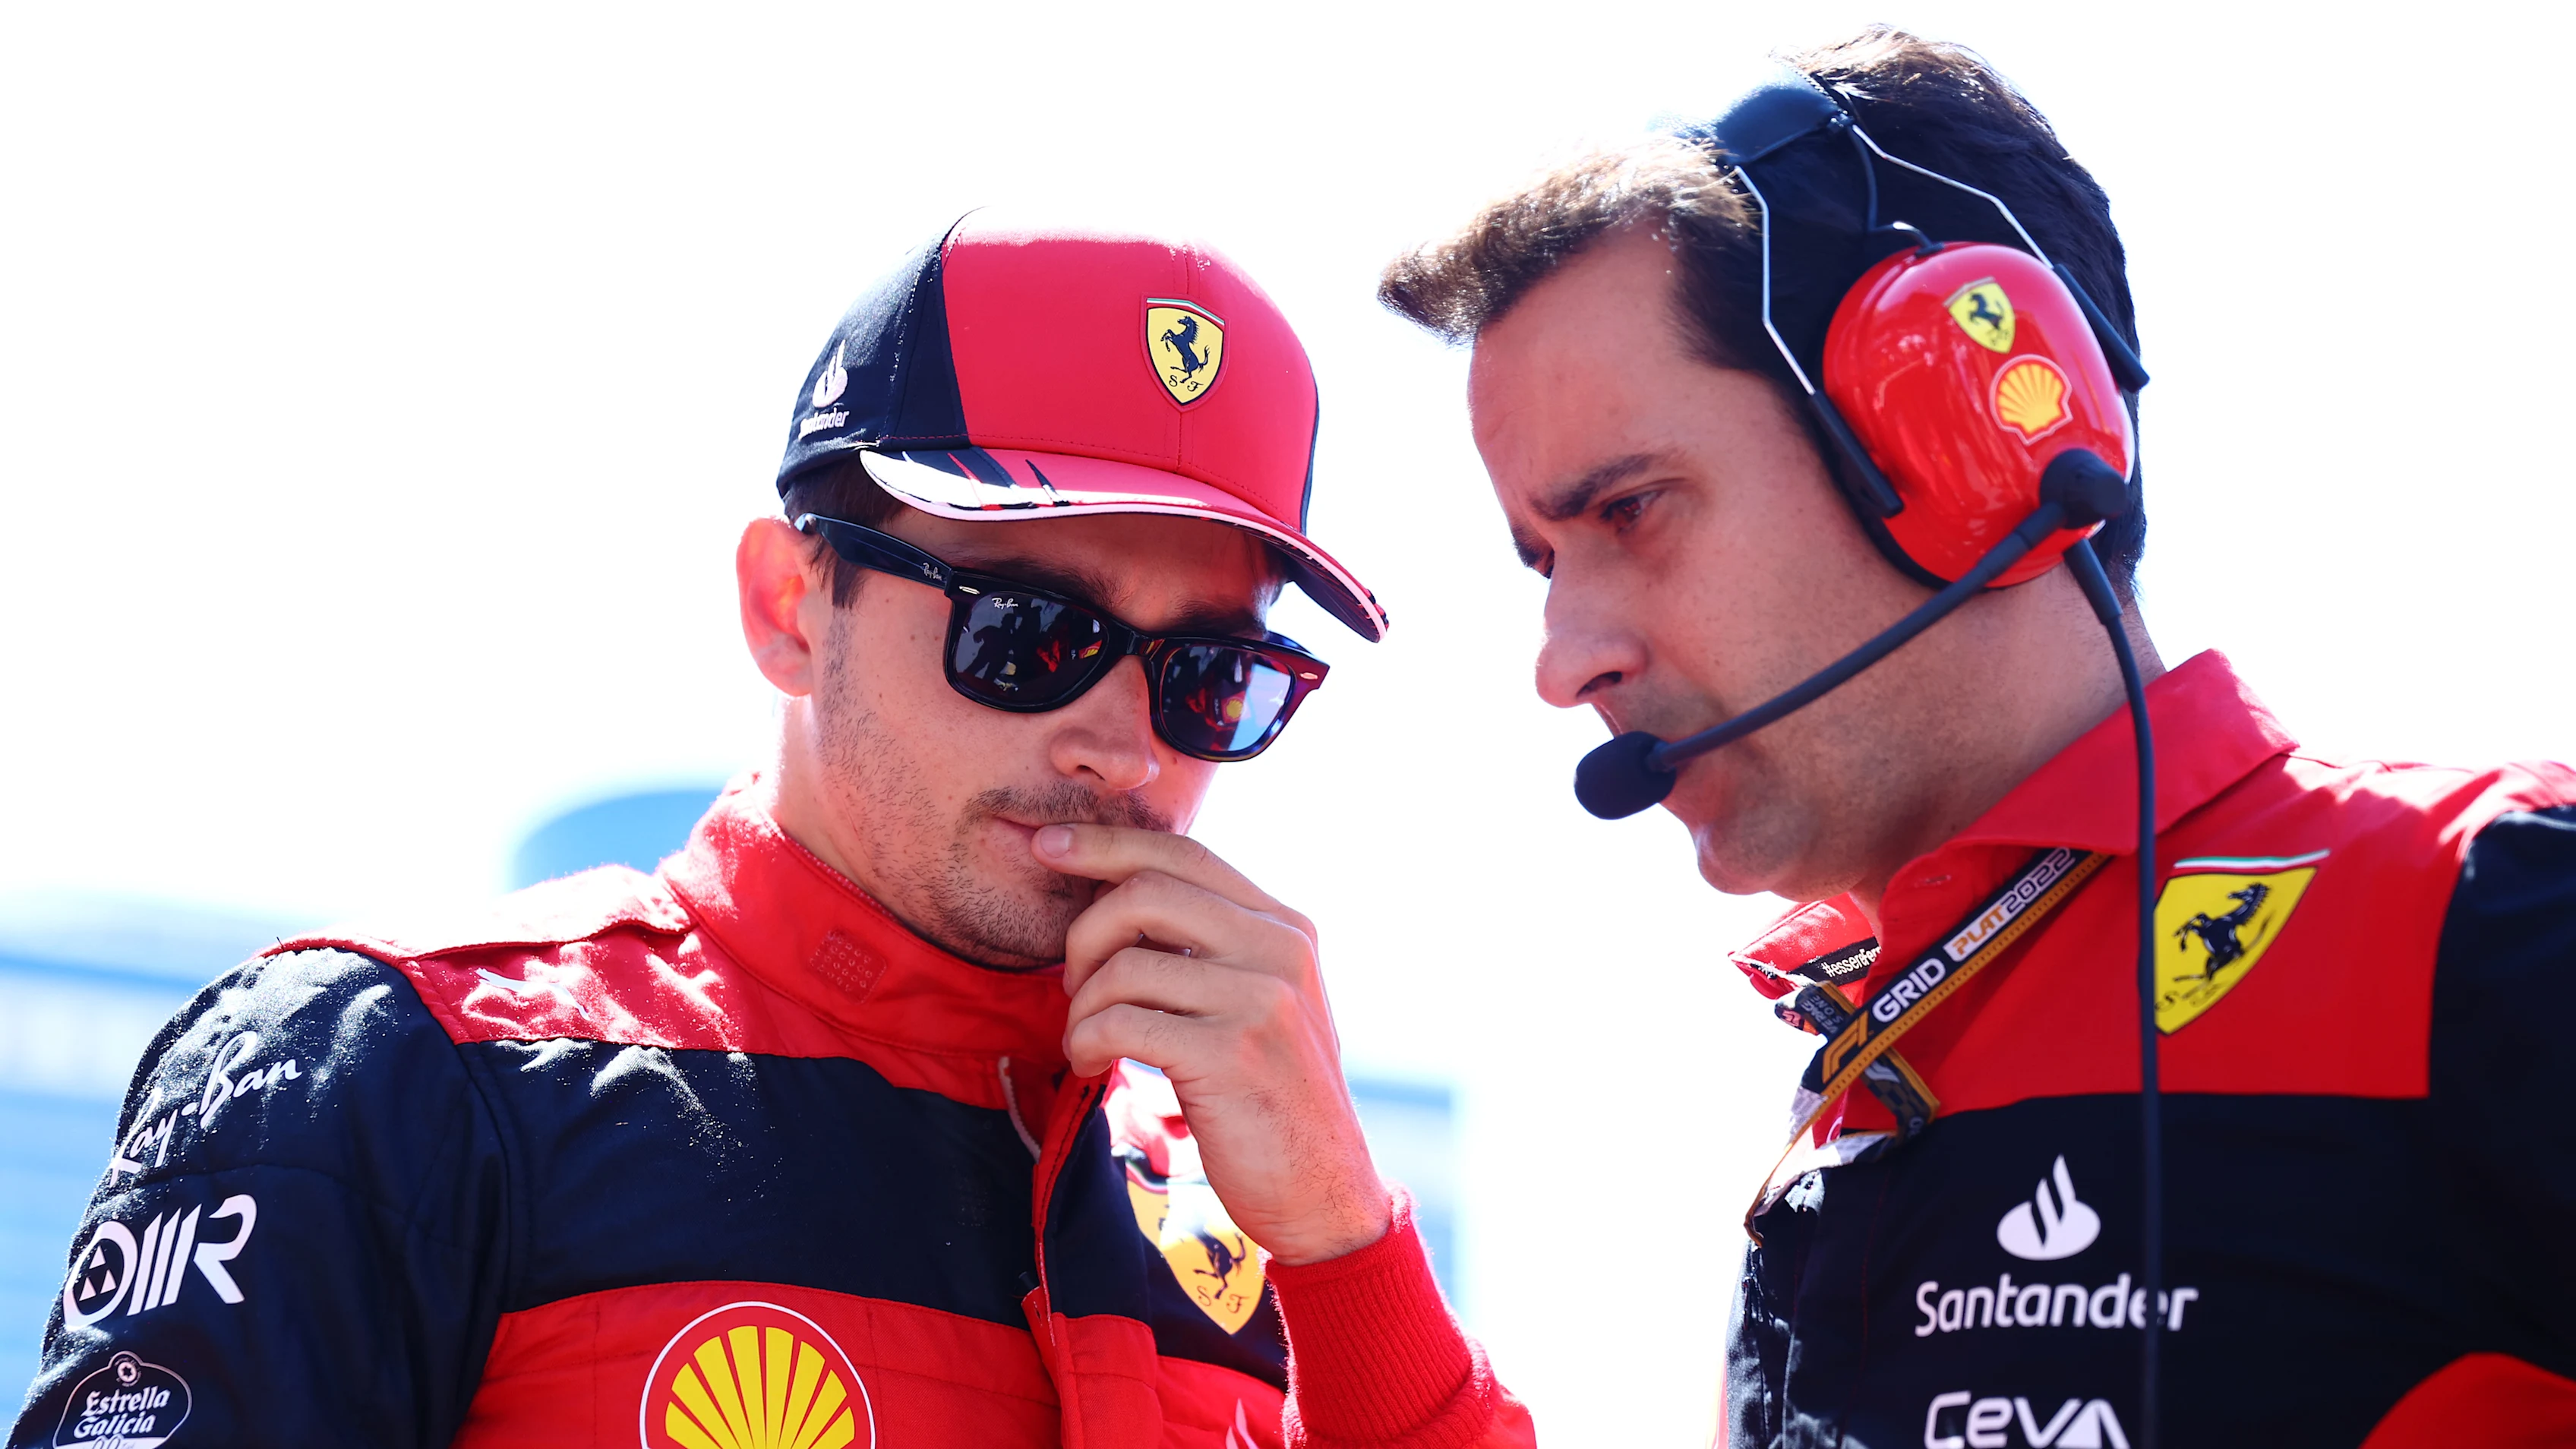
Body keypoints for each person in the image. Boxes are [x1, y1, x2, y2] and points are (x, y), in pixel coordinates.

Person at [11, 216, 1530, 1448]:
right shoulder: (403, 1069)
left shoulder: (1269, 1209)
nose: (1125, 740)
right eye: (1026, 634)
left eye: (1213, 676)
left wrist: (1346, 1240)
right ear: (790, 607)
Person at [1375, 26, 2576, 1449]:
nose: (1566, 662)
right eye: (1542, 561)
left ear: (1959, 443)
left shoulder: (2492, 915)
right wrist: (1344, 1250)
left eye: (1629, 510)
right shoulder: (1840, 1109)